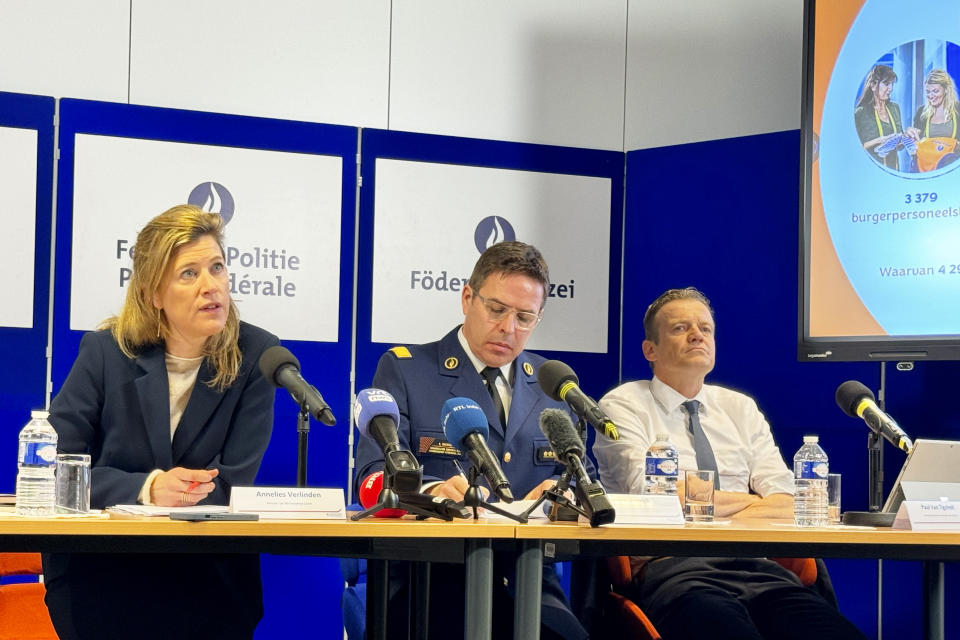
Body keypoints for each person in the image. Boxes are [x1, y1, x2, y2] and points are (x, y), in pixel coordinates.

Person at [42, 205, 280, 640]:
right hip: (102, 576)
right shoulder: (106, 352)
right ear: (153, 293)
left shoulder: (257, 356)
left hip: (210, 581)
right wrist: (148, 487)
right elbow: (55, 467)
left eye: (217, 267)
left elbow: (232, 484)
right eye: (189, 274)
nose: (211, 286)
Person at [592, 287, 867, 640]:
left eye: (705, 329)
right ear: (650, 350)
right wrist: (756, 504)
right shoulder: (623, 405)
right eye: (680, 328)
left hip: (760, 569)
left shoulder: (740, 408)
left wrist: (709, 503)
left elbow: (794, 502)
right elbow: (657, 500)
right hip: (676, 571)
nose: (697, 335)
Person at [354, 240, 588, 640]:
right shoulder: (407, 371)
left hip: (530, 585)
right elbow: (374, 477)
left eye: (525, 317)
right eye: (496, 310)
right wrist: (434, 493)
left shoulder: (552, 384)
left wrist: (564, 494)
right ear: (467, 298)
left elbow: (587, 481)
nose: (508, 328)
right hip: (430, 583)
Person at [853, 64, 909, 170]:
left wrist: (906, 138)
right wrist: (881, 140)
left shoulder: (894, 108)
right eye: (886, 84)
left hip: (894, 171)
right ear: (873, 85)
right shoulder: (860, 113)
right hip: (870, 172)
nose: (890, 89)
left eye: (892, 84)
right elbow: (855, 149)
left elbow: (900, 144)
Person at [906, 68, 960, 171]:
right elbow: (916, 146)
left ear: (946, 90)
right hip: (926, 173)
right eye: (928, 92)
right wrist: (910, 136)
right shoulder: (921, 112)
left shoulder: (959, 110)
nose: (931, 96)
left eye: (935, 91)